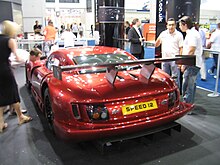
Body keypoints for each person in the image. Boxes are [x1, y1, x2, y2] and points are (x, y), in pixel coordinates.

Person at [0, 20, 32, 132]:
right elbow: (17, 57)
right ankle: (20, 117)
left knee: (1, 93)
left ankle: (1, 123)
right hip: (5, 69)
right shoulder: (10, 40)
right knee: (13, 91)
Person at [178, 16, 203, 105]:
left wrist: (184, 64)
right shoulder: (192, 33)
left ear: (185, 25)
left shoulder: (192, 34)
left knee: (188, 85)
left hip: (192, 64)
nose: (180, 27)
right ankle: (188, 104)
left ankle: (187, 105)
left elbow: (191, 50)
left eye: (180, 25)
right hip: (192, 63)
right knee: (189, 85)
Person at [155, 18, 183, 88]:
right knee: (165, 77)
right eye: (169, 25)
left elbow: (181, 48)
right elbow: (156, 44)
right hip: (164, 59)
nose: (171, 27)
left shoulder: (179, 35)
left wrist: (180, 61)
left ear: (175, 26)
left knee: (175, 78)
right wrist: (158, 39)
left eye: (173, 25)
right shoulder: (163, 34)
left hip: (174, 60)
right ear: (167, 26)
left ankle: (176, 93)